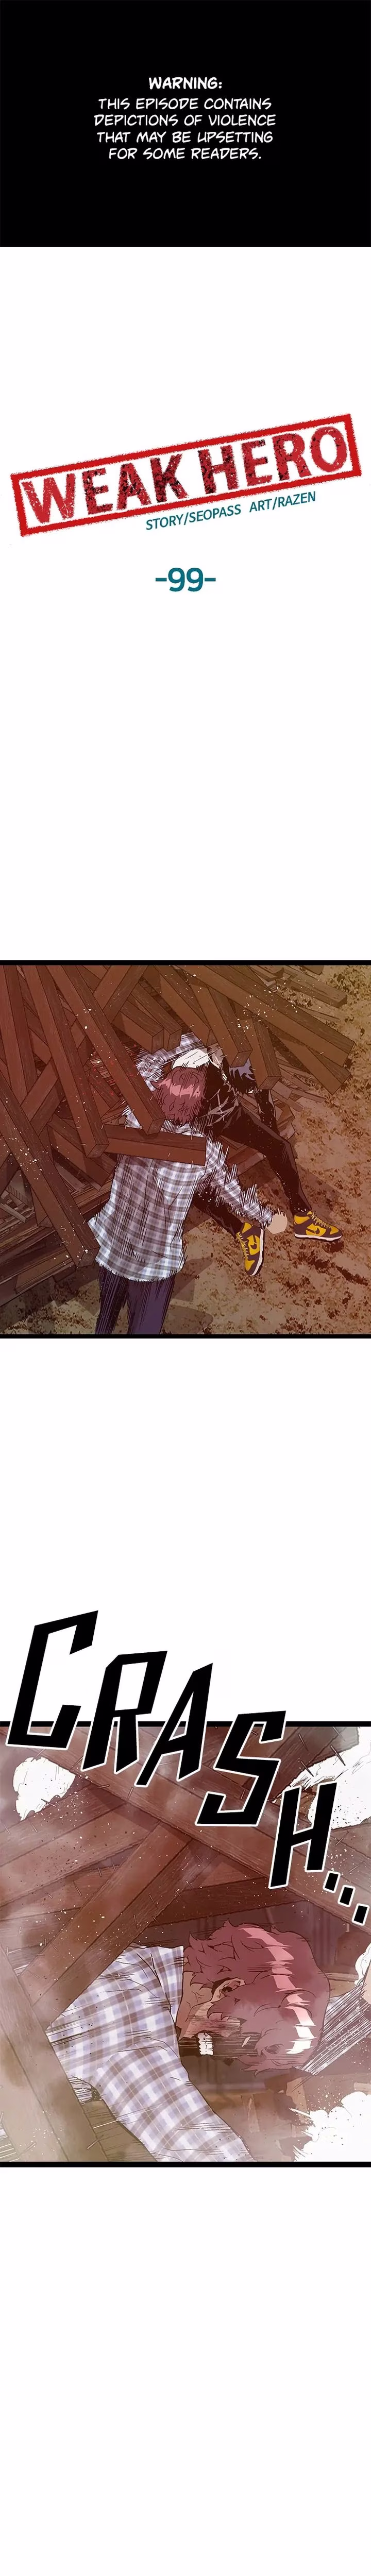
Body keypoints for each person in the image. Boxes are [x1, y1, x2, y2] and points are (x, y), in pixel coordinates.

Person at [91, 1035, 342, 1335]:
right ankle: (244, 1231)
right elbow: (235, 1194)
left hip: (228, 1118)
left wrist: (267, 1119)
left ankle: (303, 1218)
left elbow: (147, 1069)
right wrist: (268, 1219)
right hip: (197, 1134)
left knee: (279, 1148)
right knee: (200, 1189)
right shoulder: (202, 1150)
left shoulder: (135, 1117)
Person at [47, 1917, 331, 2164]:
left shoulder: (130, 1961)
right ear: (230, 1989)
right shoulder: (136, 2015)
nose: (225, 2055)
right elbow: (190, 2139)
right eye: (243, 2042)